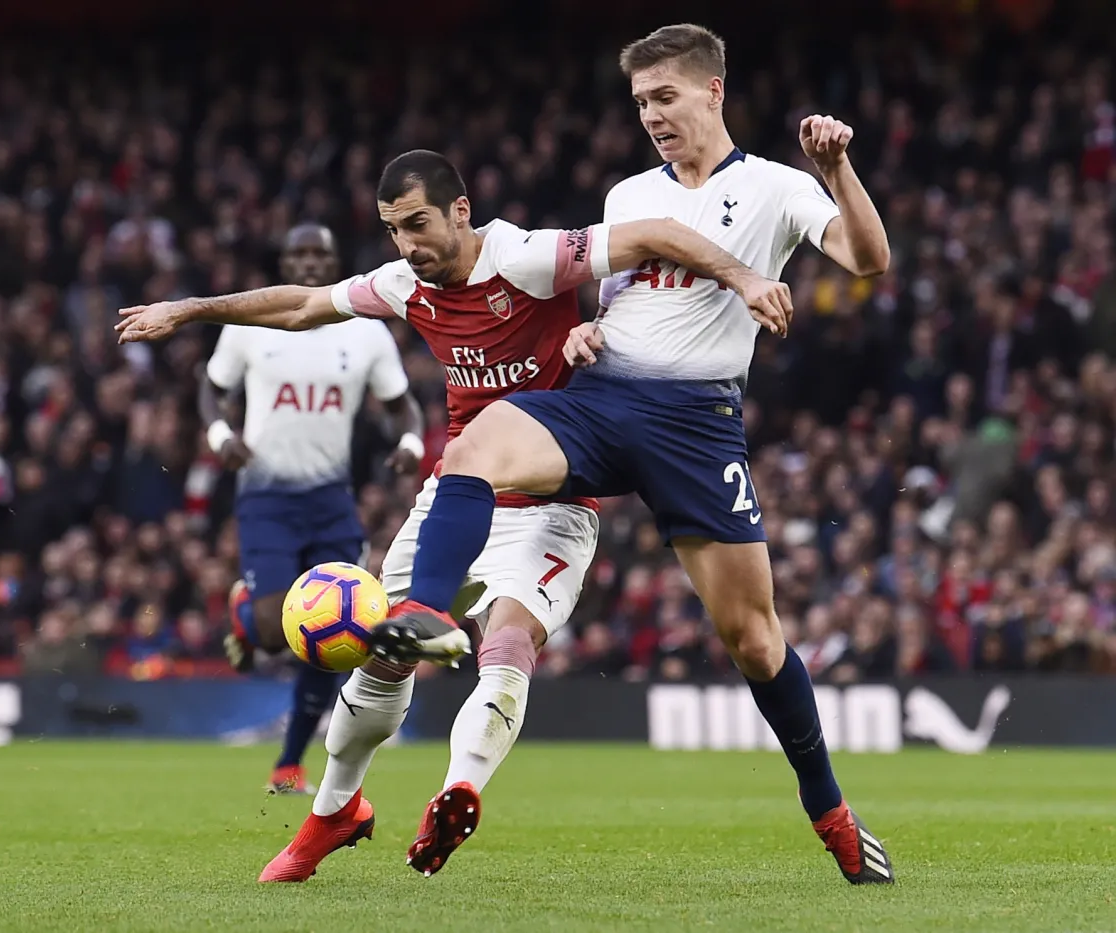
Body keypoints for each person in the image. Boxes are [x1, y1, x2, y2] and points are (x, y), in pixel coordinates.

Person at [118, 148, 790, 882]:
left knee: (508, 639)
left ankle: (458, 787)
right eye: (393, 230)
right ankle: (335, 811)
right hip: (455, 498)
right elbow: (303, 306)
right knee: (382, 649)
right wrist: (190, 310)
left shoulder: (527, 258)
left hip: (551, 501)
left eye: (417, 224)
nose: (406, 245)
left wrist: (747, 276)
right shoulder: (406, 286)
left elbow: (655, 231)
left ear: (460, 211)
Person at [382, 25, 896, 885]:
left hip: (696, 427)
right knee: (473, 446)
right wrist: (587, 330)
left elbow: (868, 259)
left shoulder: (774, 187)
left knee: (755, 640)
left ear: (713, 92)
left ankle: (832, 810)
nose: (651, 116)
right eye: (640, 103)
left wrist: (835, 169)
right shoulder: (626, 196)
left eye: (664, 98)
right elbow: (618, 301)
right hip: (604, 401)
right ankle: (432, 612)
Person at [205, 222, 424, 794]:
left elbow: (403, 407)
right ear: (284, 261)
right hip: (266, 496)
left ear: (333, 262)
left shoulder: (366, 331)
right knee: (277, 632)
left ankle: (289, 760)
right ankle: (245, 615)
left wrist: (410, 444)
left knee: (337, 638)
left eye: (317, 254)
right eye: (297, 253)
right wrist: (219, 435)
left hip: (331, 500)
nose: (306, 263)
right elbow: (213, 389)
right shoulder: (249, 323)